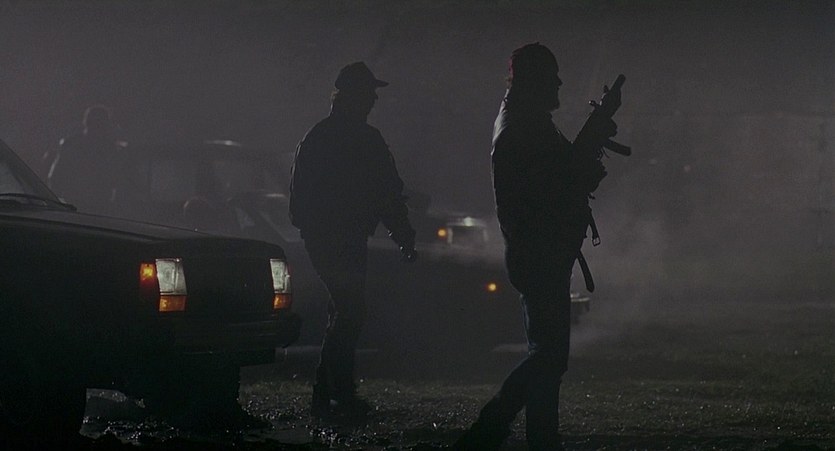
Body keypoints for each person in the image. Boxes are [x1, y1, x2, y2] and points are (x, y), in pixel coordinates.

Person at [454, 43, 616, 450]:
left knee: (548, 357)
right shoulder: (521, 127)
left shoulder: (526, 120)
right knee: (549, 357)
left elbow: (560, 171)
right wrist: (595, 133)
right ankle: (488, 430)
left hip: (541, 251)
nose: (559, 84)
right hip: (539, 253)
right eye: (551, 78)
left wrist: (595, 129)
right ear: (534, 81)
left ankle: (542, 438)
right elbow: (556, 182)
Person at [289, 61, 418, 420]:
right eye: (369, 93)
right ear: (353, 96)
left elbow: (299, 204)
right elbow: (387, 194)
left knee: (343, 311)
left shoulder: (318, 137)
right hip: (342, 238)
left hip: (328, 239)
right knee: (350, 311)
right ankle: (338, 394)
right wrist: (402, 234)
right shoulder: (364, 140)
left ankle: (325, 395)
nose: (374, 99)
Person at [47, 105, 126, 215]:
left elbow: (116, 180)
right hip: (76, 205)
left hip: (96, 207)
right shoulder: (72, 145)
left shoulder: (109, 149)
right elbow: (56, 177)